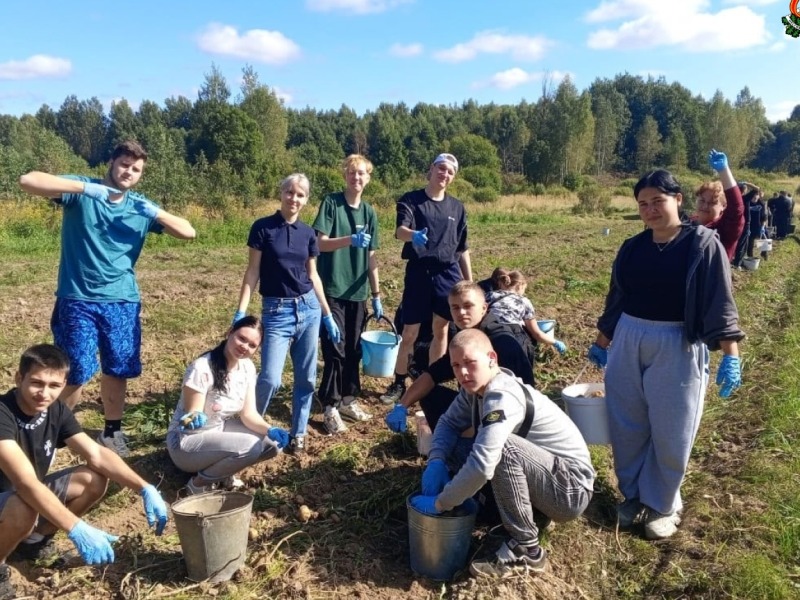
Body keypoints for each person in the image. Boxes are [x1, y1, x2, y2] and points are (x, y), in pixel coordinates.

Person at [589, 168, 744, 541]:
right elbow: (617, 298)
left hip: (678, 341)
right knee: (627, 424)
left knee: (673, 428)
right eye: (643, 204)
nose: (650, 210)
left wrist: (731, 355)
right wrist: (602, 341)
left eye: (658, 201)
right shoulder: (632, 247)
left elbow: (720, 301)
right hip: (629, 335)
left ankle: (663, 504)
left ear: (678, 200)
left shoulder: (702, 244)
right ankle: (634, 496)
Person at [18, 141, 197, 457]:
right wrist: (85, 189)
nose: (129, 172)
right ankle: (53, 430)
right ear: (111, 162)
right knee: (75, 370)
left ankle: (112, 432)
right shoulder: (82, 192)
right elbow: (28, 181)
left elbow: (188, 233)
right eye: (125, 164)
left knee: (118, 368)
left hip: (122, 301)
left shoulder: (140, 206)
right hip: (78, 298)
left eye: (136, 169)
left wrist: (157, 213)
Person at [409, 329, 595, 579]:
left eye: (470, 363)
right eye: (456, 366)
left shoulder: (502, 396)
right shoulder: (473, 391)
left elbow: (483, 464)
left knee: (502, 449)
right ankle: (509, 510)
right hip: (543, 473)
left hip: (569, 489)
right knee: (457, 447)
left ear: (492, 359)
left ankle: (527, 549)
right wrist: (436, 461)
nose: (463, 373)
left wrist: (441, 503)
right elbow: (448, 423)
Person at [0, 344, 168, 599]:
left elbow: (96, 454)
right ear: (18, 378)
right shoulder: (3, 413)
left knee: (93, 479)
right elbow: (26, 484)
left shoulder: (55, 410)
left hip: (20, 497)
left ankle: (33, 542)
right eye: (36, 383)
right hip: (12, 498)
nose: (44, 393)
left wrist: (144, 488)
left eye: (54, 386)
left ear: (63, 384)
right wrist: (76, 527)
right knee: (24, 504)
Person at [234, 174, 341, 455]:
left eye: (300, 195)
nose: (294, 198)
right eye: (289, 192)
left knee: (306, 379)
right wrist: (241, 309)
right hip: (276, 311)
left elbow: (313, 275)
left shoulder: (308, 233)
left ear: (306, 200)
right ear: (281, 193)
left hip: (309, 309)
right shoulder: (263, 228)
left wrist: (327, 313)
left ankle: (299, 433)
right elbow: (252, 271)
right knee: (270, 378)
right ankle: (249, 430)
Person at [380, 153, 472, 405]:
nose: (445, 174)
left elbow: (463, 248)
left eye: (450, 172)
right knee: (409, 331)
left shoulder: (457, 207)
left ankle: (432, 384)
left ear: (453, 178)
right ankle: (399, 382)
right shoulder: (411, 200)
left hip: (448, 274)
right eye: (441, 168)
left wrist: (469, 283)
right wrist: (413, 235)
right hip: (419, 272)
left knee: (441, 329)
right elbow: (400, 231)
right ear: (431, 169)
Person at [385, 281, 534, 434]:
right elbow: (432, 374)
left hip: (509, 418)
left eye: (468, 306)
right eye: (455, 307)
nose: (461, 312)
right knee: (430, 396)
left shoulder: (502, 342)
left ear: (484, 308)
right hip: (478, 406)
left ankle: (463, 442)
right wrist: (402, 406)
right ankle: (453, 439)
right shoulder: (466, 338)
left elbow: (518, 400)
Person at [167, 317, 290, 495]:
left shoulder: (247, 368)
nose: (244, 346)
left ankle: (222, 472)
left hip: (217, 429)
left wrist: (270, 429)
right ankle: (198, 484)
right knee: (251, 446)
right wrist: (194, 417)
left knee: (273, 444)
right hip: (187, 442)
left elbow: (248, 414)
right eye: (241, 338)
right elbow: (193, 411)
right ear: (230, 332)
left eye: (252, 345)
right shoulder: (202, 367)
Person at [312, 155, 381, 435]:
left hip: (358, 292)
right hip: (332, 290)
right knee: (335, 349)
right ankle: (329, 405)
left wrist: (376, 294)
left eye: (362, 173)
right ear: (345, 176)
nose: (357, 177)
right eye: (352, 173)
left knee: (353, 350)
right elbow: (319, 244)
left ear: (368, 178)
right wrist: (349, 240)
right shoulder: (332, 203)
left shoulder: (369, 212)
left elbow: (372, 257)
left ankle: (348, 400)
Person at [486, 267, 567, 356]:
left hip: (488, 335)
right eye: (524, 289)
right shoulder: (523, 301)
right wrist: (555, 342)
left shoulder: (489, 295)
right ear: (520, 286)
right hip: (512, 337)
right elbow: (536, 334)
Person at [691, 149, 744, 261]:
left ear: (723, 206)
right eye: (702, 200)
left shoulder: (726, 228)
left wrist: (724, 170)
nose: (705, 206)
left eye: (712, 203)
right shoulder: (687, 224)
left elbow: (736, 208)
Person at [745, 189, 768, 259]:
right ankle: (750, 256)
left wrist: (763, 226)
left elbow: (764, 217)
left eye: (757, 196)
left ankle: (764, 253)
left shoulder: (761, 204)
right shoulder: (747, 203)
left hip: (759, 224)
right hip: (750, 225)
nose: (755, 198)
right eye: (753, 196)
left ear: (758, 197)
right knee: (750, 242)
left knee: (765, 238)